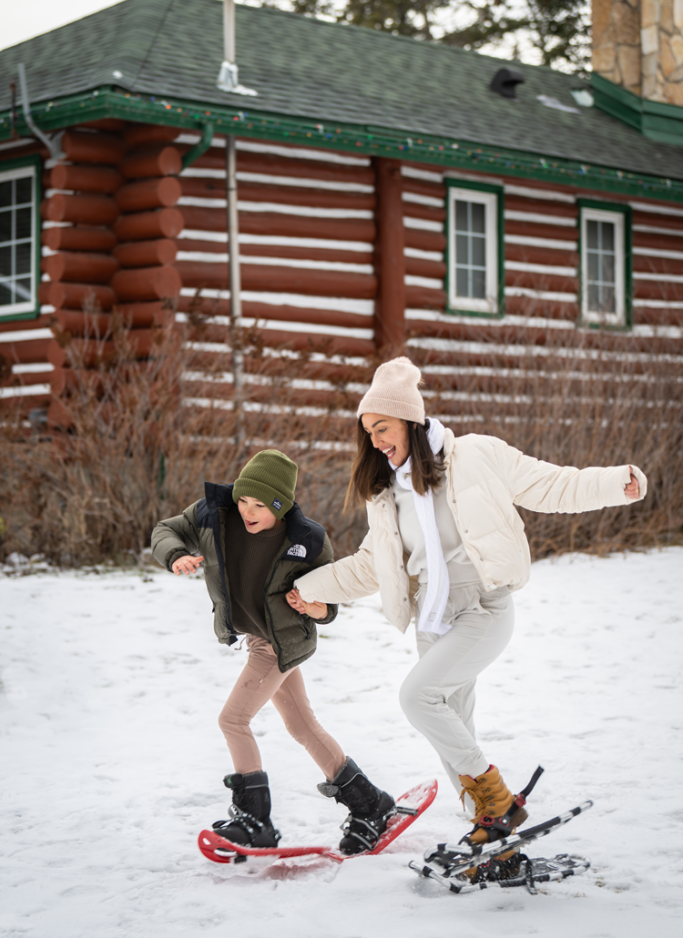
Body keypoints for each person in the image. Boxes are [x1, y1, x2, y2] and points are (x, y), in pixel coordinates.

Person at [287, 357, 646, 863]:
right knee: (455, 740)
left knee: (417, 697)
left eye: (382, 428)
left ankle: (498, 803)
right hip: (433, 623)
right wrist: (310, 586)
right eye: (367, 432)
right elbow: (374, 565)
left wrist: (614, 483)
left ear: (409, 419)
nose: (374, 441)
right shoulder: (386, 492)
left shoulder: (476, 455)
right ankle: (492, 839)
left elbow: (549, 485)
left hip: (483, 608)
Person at [151, 449, 394, 854]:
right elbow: (165, 529)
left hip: (279, 644)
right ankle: (370, 804)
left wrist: (313, 606)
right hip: (259, 638)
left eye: (260, 505)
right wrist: (176, 555)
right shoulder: (215, 512)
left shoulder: (307, 540)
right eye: (244, 500)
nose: (247, 510)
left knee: (233, 720)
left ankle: (254, 820)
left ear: (280, 507)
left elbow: (328, 603)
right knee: (301, 726)